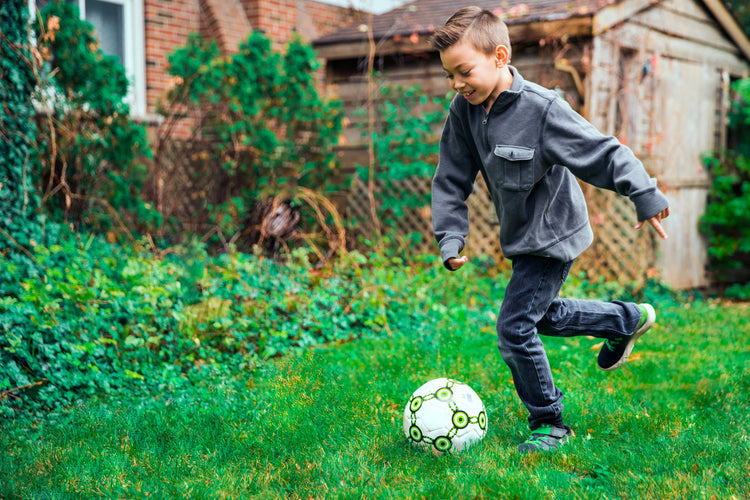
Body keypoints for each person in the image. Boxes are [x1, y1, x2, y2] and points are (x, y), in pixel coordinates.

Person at [430, 6, 671, 453]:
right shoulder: (463, 111)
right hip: (522, 236)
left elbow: (603, 152)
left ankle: (550, 422)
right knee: (543, 316)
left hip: (554, 235)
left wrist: (645, 194)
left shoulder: (542, 110)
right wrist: (450, 236)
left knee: (515, 327)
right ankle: (626, 319)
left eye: (463, 71)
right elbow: (450, 177)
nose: (457, 84)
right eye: (450, 76)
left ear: (500, 57)